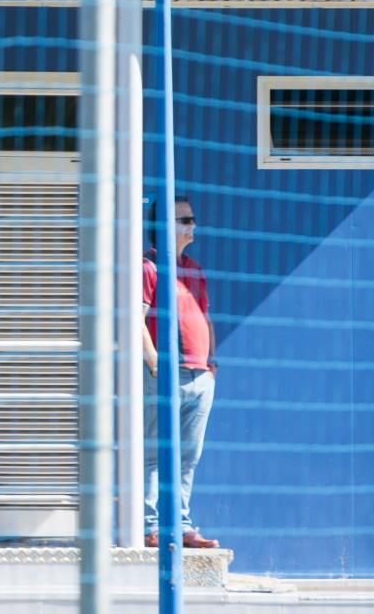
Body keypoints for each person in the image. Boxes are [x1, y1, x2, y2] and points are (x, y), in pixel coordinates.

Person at [142, 196, 220, 549]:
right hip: (163, 375)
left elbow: (205, 318)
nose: (192, 225)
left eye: (193, 218)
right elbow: (133, 318)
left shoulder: (195, 269)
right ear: (164, 225)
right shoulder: (149, 268)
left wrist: (212, 364)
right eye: (184, 219)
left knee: (189, 456)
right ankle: (149, 526)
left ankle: (182, 525)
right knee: (153, 454)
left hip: (200, 375)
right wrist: (154, 361)